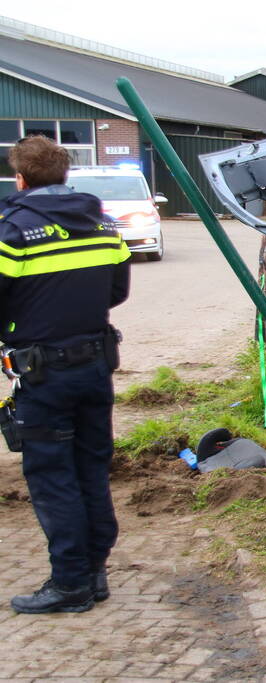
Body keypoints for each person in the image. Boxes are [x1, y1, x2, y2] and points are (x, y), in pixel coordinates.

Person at [0, 135, 131, 614]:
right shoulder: (103, 225)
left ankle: (70, 583)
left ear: (21, 178)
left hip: (44, 373)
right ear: (64, 174)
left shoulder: (12, 231)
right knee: (91, 469)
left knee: (54, 477)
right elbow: (117, 291)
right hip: (96, 367)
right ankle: (94, 573)